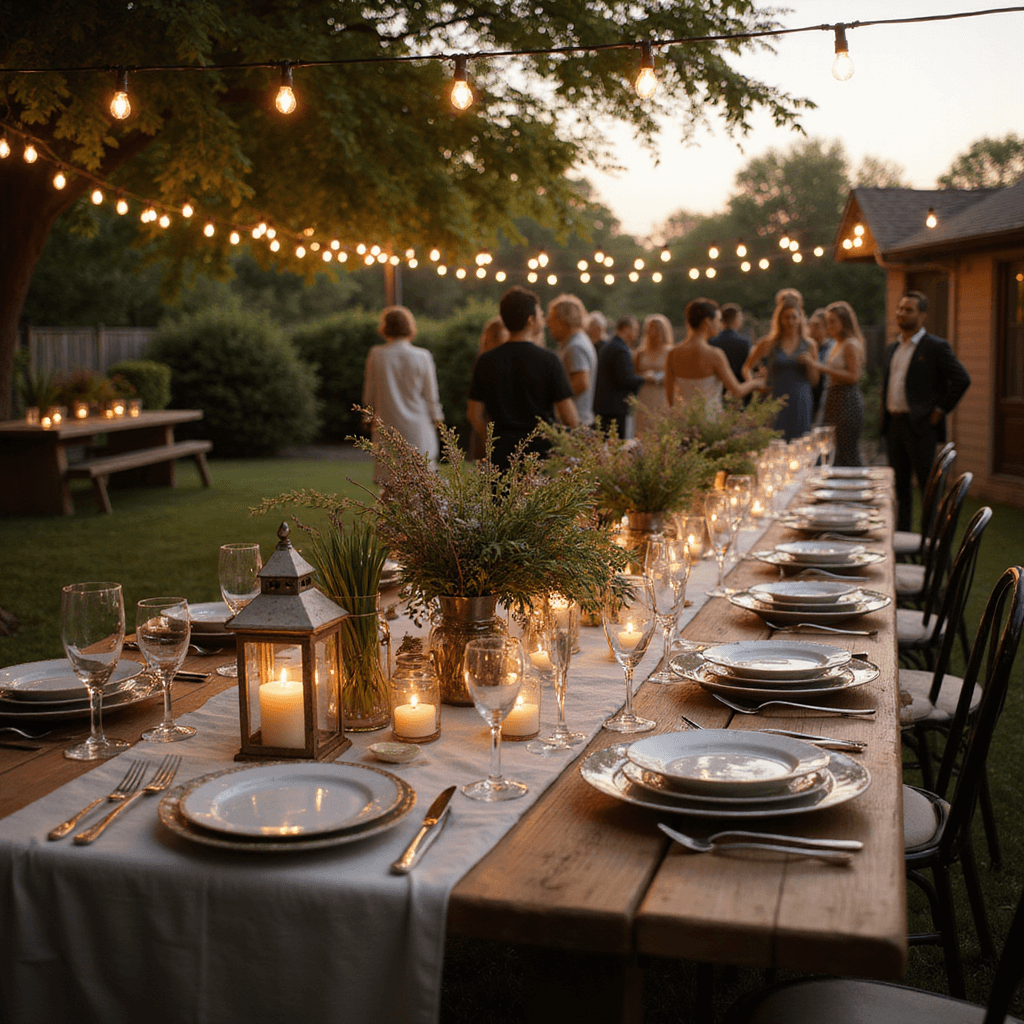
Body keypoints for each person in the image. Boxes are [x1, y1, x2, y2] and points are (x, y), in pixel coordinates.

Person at [881, 290, 971, 532]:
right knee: (900, 488)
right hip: (894, 425)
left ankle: (930, 542)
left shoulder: (935, 347)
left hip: (920, 426)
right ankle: (902, 539)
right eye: (900, 309)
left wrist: (939, 410)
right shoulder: (893, 348)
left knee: (928, 488)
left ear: (922, 316)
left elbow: (962, 379)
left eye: (908, 310)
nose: (901, 313)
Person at [468, 286, 578, 470]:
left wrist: (493, 441)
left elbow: (474, 414)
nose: (543, 320)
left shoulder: (486, 361)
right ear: (530, 320)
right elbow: (570, 417)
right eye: (541, 314)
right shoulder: (549, 360)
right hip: (540, 457)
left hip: (500, 457)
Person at [362, 305, 443, 484]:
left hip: (387, 427)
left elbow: (370, 394)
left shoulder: (376, 354)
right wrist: (438, 422)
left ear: (385, 327)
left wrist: (368, 418)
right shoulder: (423, 356)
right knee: (422, 485)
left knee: (390, 487)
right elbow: (432, 397)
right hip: (419, 429)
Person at [666, 298, 763, 416]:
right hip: (711, 421)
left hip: (685, 419)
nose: (720, 325)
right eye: (718, 320)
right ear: (707, 321)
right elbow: (737, 391)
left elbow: (670, 398)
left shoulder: (673, 353)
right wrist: (757, 382)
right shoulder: (714, 354)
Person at [743, 298, 819, 440]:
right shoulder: (769, 343)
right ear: (779, 319)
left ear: (800, 319)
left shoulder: (810, 345)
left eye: (794, 317)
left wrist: (810, 364)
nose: (790, 321)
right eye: (786, 317)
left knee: (801, 441)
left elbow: (814, 381)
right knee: (776, 441)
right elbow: (747, 367)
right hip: (777, 398)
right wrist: (754, 385)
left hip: (801, 398)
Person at [801, 301, 865, 467]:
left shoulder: (850, 344)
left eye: (832, 321)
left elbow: (854, 377)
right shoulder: (836, 344)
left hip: (847, 399)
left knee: (847, 453)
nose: (828, 326)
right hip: (833, 399)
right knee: (833, 454)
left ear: (844, 323)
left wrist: (820, 367)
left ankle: (856, 489)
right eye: (827, 321)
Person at [547, 294, 597, 427]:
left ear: (564, 319)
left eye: (552, 318)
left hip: (575, 422)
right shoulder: (574, 342)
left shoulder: (576, 346)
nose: (548, 323)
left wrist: (552, 398)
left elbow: (581, 382)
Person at [593, 314, 645, 438]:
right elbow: (625, 379)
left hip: (604, 405)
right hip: (614, 407)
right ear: (626, 328)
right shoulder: (620, 349)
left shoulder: (610, 345)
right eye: (635, 329)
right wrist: (645, 379)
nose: (636, 334)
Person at [467, 316, 510, 460]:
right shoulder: (486, 362)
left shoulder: (483, 360)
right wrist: (489, 440)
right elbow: (474, 411)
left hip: (486, 430)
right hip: (488, 428)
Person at [633, 313, 673, 433]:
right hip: (645, 394)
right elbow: (635, 374)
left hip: (662, 393)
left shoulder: (670, 352)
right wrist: (644, 376)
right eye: (650, 327)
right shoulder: (640, 352)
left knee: (661, 429)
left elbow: (675, 375)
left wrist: (660, 377)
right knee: (643, 429)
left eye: (656, 327)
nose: (653, 331)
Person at [709, 302, 750, 385]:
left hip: (718, 387)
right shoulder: (744, 342)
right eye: (740, 317)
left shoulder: (710, 342)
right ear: (736, 319)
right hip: (741, 386)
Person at [807, 308, 835, 424]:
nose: (812, 329)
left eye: (817, 325)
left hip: (824, 401)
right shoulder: (805, 347)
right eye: (811, 325)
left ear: (826, 327)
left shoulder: (832, 348)